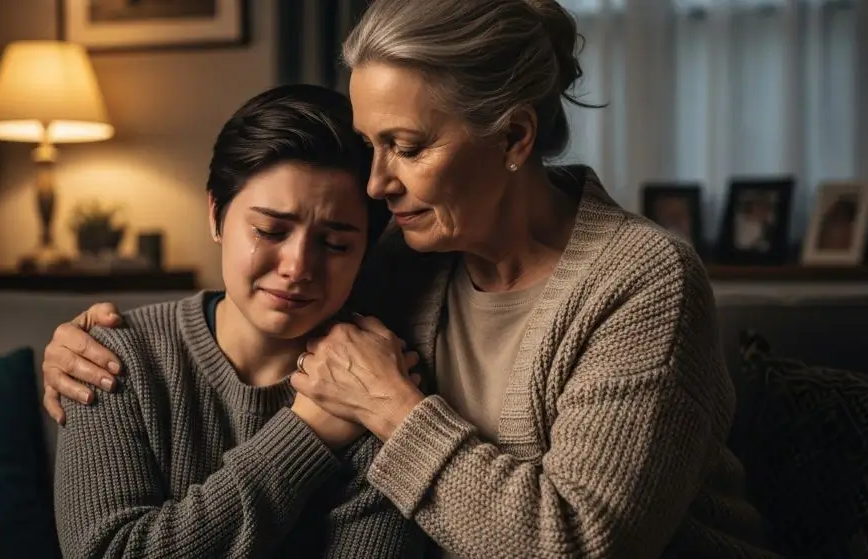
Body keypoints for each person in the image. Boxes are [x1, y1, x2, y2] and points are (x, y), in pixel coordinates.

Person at [42, 0, 782, 557]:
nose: (374, 183)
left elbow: (577, 545)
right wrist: (78, 347)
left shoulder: (642, 282)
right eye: (370, 144)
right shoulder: (397, 259)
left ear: (515, 137)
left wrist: (395, 409)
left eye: (405, 146)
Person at [51, 83, 426, 558]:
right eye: (270, 230)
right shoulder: (110, 358)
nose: (297, 267)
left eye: (335, 244)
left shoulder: (379, 387)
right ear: (216, 215)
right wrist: (306, 433)